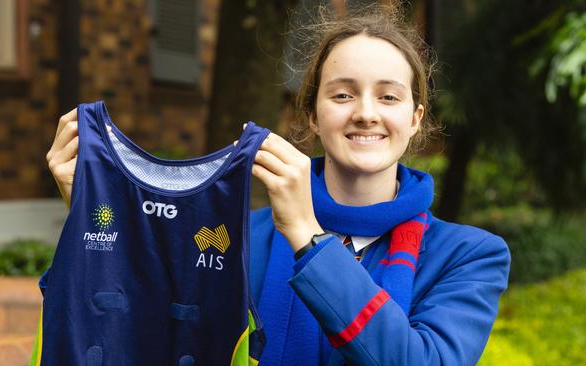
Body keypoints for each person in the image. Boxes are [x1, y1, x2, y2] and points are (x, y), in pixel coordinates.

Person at [45, 5, 510, 365]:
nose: (366, 112)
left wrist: (309, 238)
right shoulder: (234, 237)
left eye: (388, 96)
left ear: (414, 119)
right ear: (311, 113)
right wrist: (93, 228)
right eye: (343, 94)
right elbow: (143, 332)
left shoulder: (470, 255)